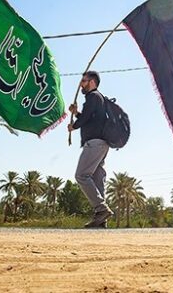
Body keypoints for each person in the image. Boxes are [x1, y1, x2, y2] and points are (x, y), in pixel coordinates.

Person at [67, 71, 114, 228]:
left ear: (92, 82)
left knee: (81, 175)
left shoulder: (93, 96)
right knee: (97, 178)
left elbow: (86, 118)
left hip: (94, 143)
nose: (81, 84)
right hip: (102, 143)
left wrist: (73, 126)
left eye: (84, 81)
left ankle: (101, 209)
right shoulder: (98, 98)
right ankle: (101, 220)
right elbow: (91, 117)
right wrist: (76, 113)